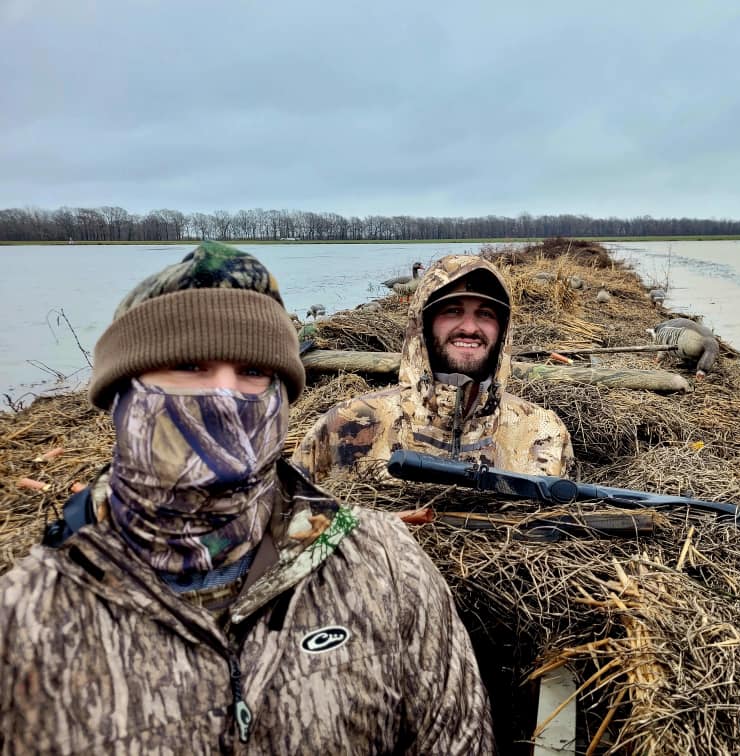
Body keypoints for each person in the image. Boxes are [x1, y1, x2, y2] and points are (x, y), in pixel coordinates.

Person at [0, 242, 494, 754]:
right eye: (189, 366)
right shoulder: (27, 619)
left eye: (253, 372)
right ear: (121, 394)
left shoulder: (387, 565)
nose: (225, 395)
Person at [293, 254, 574, 482]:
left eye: (485, 314)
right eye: (452, 310)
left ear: (503, 331)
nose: (469, 327)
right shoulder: (347, 423)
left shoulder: (543, 431)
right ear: (423, 325)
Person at [646, 317, 720, 379]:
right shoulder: (694, 338)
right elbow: (663, 345)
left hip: (693, 346)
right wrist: (659, 358)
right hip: (663, 330)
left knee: (707, 350)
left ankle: (696, 368)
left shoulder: (707, 339)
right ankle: (699, 369)